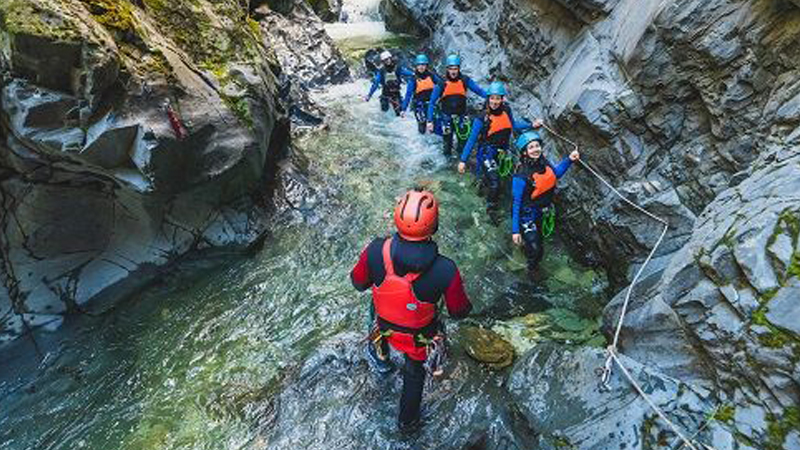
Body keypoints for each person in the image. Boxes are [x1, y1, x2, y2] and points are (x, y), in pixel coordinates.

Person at [350, 188, 472, 432]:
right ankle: (407, 423)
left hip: (384, 327)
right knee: (414, 374)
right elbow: (459, 311)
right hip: (418, 338)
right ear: (434, 226)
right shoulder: (446, 269)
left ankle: (382, 359)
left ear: (396, 218)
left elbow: (358, 282)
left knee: (375, 301)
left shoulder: (375, 249)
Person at [457, 82, 531, 221]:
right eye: (492, 98)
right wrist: (462, 160)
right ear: (488, 99)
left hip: (501, 152)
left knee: (492, 179)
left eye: (498, 98)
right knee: (495, 182)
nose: (495, 102)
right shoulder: (482, 117)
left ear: (502, 99)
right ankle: (491, 210)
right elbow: (472, 139)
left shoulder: (507, 110)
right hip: (487, 153)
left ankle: (482, 186)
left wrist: (531, 125)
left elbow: (513, 125)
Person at [511, 130, 580, 277]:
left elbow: (555, 175)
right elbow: (516, 203)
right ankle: (531, 270)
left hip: (542, 212)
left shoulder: (544, 163)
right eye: (531, 147)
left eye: (537, 146)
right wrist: (515, 230)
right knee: (537, 248)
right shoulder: (521, 175)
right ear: (524, 152)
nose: (536, 149)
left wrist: (569, 159)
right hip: (527, 216)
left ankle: (529, 254)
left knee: (538, 242)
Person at [425, 55, 486, 157]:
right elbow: (432, 102)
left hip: (461, 116)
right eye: (451, 69)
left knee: (462, 141)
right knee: (447, 143)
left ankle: (460, 160)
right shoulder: (441, 83)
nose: (453, 71)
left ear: (459, 69)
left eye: (455, 69)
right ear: (447, 69)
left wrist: (491, 96)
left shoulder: (465, 80)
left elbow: (479, 91)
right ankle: (448, 162)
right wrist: (430, 121)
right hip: (446, 118)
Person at [400, 54, 443, 134]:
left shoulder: (432, 76)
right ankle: (422, 140)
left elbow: (441, 85)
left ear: (426, 66)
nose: (421, 67)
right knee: (422, 125)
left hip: (431, 104)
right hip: (419, 106)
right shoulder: (413, 79)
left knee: (435, 123)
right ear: (416, 66)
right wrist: (403, 109)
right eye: (419, 65)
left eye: (423, 65)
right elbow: (408, 95)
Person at [364, 51, 413, 115]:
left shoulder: (398, 68)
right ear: (383, 61)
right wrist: (369, 95)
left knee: (400, 114)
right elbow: (376, 83)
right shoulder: (381, 71)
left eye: (388, 59)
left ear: (391, 58)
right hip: (385, 95)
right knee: (384, 113)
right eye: (385, 60)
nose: (387, 61)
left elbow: (407, 73)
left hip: (396, 94)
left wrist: (414, 74)